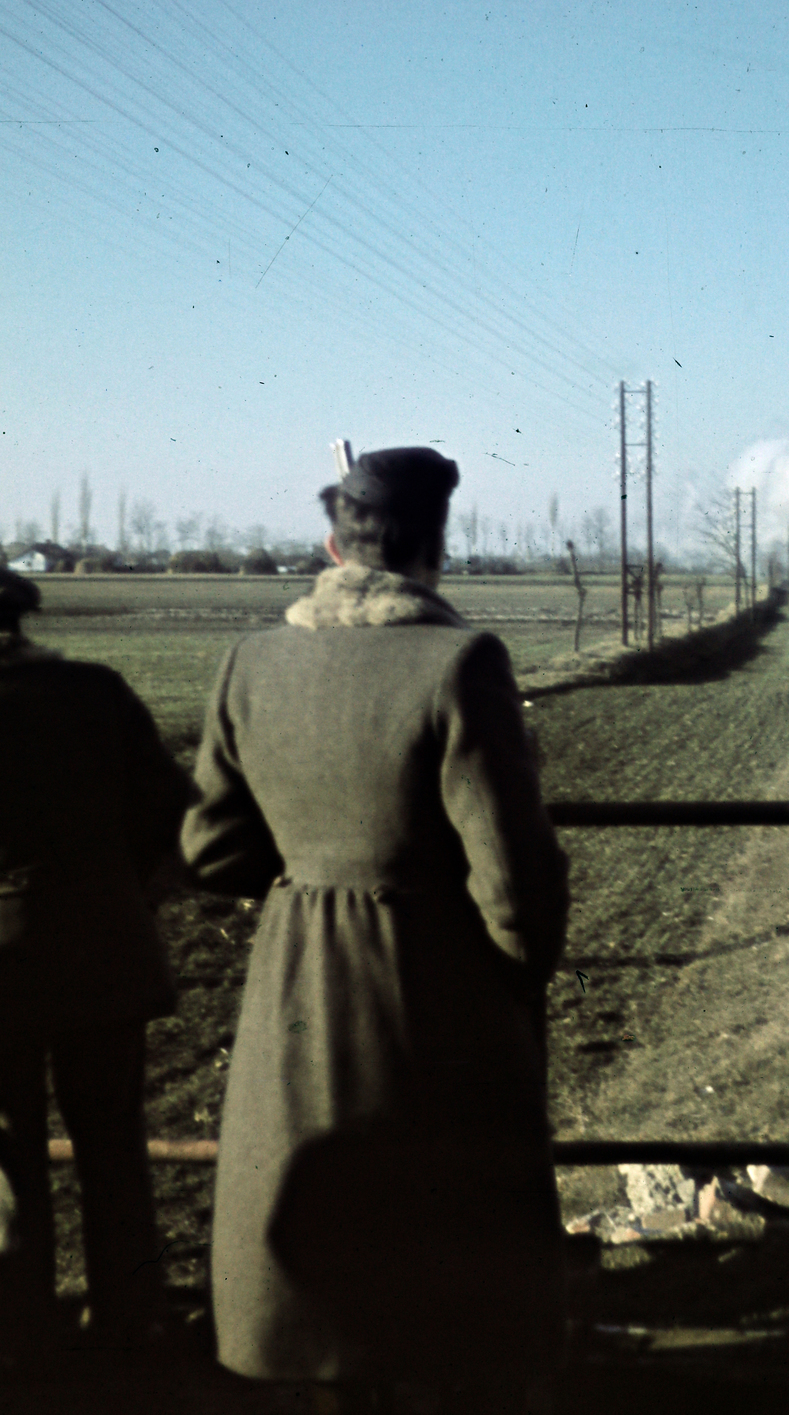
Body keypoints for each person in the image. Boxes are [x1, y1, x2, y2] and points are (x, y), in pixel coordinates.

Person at [180, 448, 570, 1412]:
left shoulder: (251, 661)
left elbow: (212, 851)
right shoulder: (460, 661)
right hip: (431, 986)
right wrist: (518, 979)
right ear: (436, 545)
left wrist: (311, 873)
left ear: (332, 545)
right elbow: (514, 884)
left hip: (296, 985)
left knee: (321, 1220)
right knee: (439, 1226)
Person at [0, 567, 190, 1360]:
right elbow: (170, 813)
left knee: (7, 1152)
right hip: (104, 945)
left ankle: (18, 1328)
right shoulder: (98, 692)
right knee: (113, 1144)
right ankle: (131, 1319)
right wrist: (128, 891)